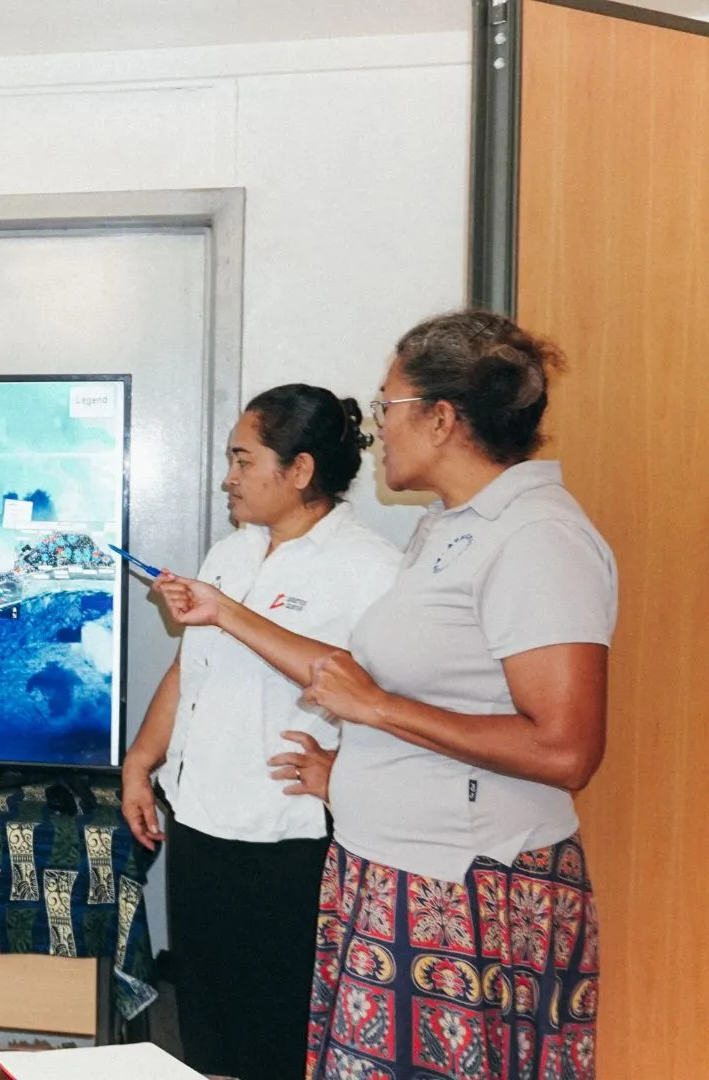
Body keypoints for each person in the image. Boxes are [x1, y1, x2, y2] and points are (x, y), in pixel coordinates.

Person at [155, 311, 612, 1080]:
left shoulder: (537, 538)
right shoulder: (446, 531)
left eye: (387, 405)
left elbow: (567, 748)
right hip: (393, 871)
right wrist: (353, 760)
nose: (375, 426)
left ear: (442, 418)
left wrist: (374, 712)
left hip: (467, 890)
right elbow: (392, 688)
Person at [121, 384, 400, 1080]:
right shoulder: (232, 553)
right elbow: (192, 672)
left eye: (243, 461)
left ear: (300, 470)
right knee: (206, 1028)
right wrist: (141, 762)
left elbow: (370, 688)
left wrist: (342, 765)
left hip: (286, 841)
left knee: (277, 1035)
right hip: (202, 826)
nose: (229, 479)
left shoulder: (370, 569)